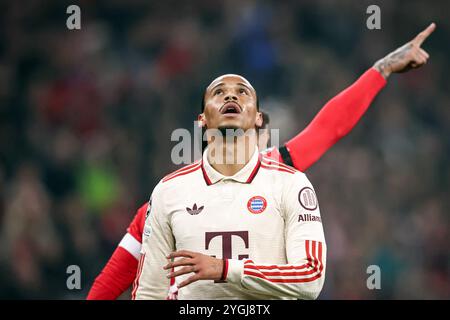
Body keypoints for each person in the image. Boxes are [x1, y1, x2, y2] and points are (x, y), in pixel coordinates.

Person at [87, 23, 435, 300]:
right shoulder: (166, 198)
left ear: (259, 126)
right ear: (203, 123)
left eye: (246, 103)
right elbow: (117, 279)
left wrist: (381, 69)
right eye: (221, 96)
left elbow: (330, 127)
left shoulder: (282, 174)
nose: (232, 101)